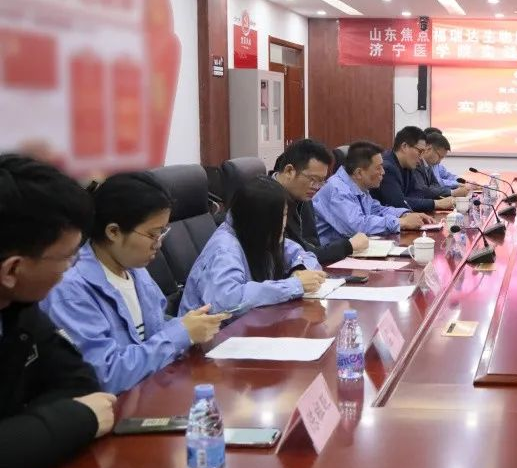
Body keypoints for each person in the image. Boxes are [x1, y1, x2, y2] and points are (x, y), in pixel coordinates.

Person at [42, 173, 229, 394]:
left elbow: (155, 332)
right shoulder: (70, 290)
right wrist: (182, 333)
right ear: (113, 231)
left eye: (162, 233)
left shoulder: (135, 271)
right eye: (153, 234)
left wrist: (193, 329)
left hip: (152, 392)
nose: (158, 244)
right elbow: (107, 376)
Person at [0, 154, 116, 468]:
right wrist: (76, 419)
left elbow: (82, 384)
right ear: (12, 269)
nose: (71, 267)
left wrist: (20, 433)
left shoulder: (20, 308)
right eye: (67, 257)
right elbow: (86, 408)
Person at [179, 177, 325, 316]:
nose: (283, 223)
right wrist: (293, 286)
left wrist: (298, 270)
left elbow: (304, 255)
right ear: (259, 219)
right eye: (279, 217)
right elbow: (227, 303)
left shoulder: (258, 235)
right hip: (216, 331)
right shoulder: (225, 249)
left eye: (285, 214)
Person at [272, 140, 369, 265]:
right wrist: (348, 246)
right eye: (313, 179)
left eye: (321, 181)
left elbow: (313, 243)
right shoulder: (267, 201)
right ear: (289, 171)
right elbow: (297, 255)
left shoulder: (302, 194)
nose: (317, 187)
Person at [313, 141, 433, 242]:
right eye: (378, 168)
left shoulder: (359, 186)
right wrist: (401, 222)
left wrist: (405, 214)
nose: (383, 172)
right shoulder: (337, 189)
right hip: (329, 258)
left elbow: (377, 210)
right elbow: (357, 226)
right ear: (359, 173)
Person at [372, 126, 455, 213]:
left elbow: (419, 194)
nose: (421, 157)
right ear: (404, 146)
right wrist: (436, 203)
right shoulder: (387, 168)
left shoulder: (408, 165)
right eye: (420, 151)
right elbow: (398, 203)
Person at [414, 132, 470, 200]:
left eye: (442, 158)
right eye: (439, 156)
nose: (439, 161)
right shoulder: (415, 164)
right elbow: (423, 190)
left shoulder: (428, 165)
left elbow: (437, 186)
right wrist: (452, 192)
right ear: (428, 148)